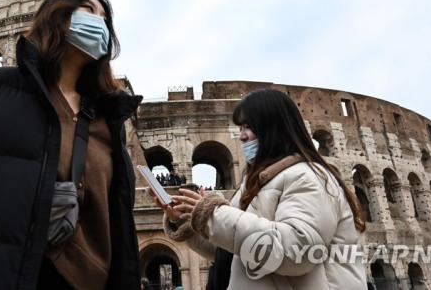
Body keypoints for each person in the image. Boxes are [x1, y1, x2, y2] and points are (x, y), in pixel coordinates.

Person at [0, 0, 143, 290]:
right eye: (88, 10)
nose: (99, 23)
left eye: (105, 19)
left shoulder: (108, 120)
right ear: (56, 14)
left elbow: (116, 217)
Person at [149, 89, 367, 289]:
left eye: (248, 127)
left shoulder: (308, 177)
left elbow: (297, 251)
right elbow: (229, 251)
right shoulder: (254, 184)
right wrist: (186, 220)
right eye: (240, 127)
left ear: (274, 128)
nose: (242, 135)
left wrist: (213, 215)